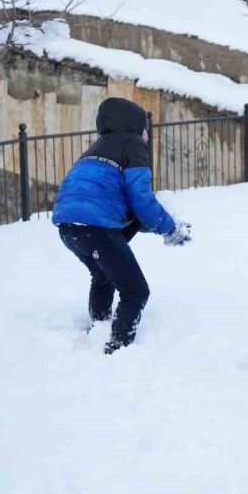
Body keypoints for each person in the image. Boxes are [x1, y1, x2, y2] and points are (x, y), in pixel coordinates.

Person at [53, 97, 193, 354]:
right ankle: (117, 348)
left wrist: (158, 225)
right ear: (134, 126)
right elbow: (140, 199)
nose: (147, 137)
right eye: (146, 130)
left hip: (68, 227)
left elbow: (120, 208)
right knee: (136, 291)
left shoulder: (95, 148)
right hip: (95, 228)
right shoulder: (133, 144)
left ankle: (99, 326)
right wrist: (170, 229)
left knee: (103, 275)